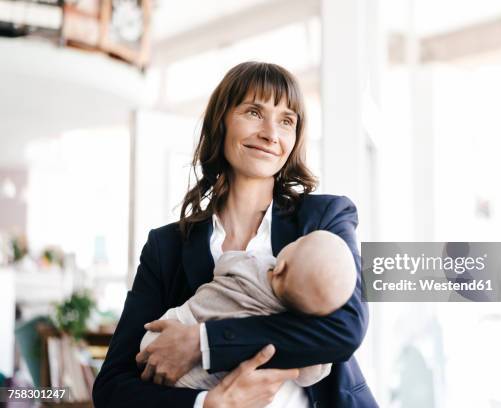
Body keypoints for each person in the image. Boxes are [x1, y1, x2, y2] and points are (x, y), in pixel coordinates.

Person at [92, 61, 378, 407]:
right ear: (221, 122)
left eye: (286, 120)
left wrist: (203, 342)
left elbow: (345, 328)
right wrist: (208, 404)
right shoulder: (166, 247)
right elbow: (112, 388)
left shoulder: (324, 218)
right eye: (254, 112)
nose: (271, 133)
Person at [139, 230, 356, 397]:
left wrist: (203, 340)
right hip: (198, 385)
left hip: (171, 337)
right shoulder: (163, 241)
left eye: (298, 242)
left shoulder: (334, 211)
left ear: (279, 268)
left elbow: (351, 330)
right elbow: (310, 374)